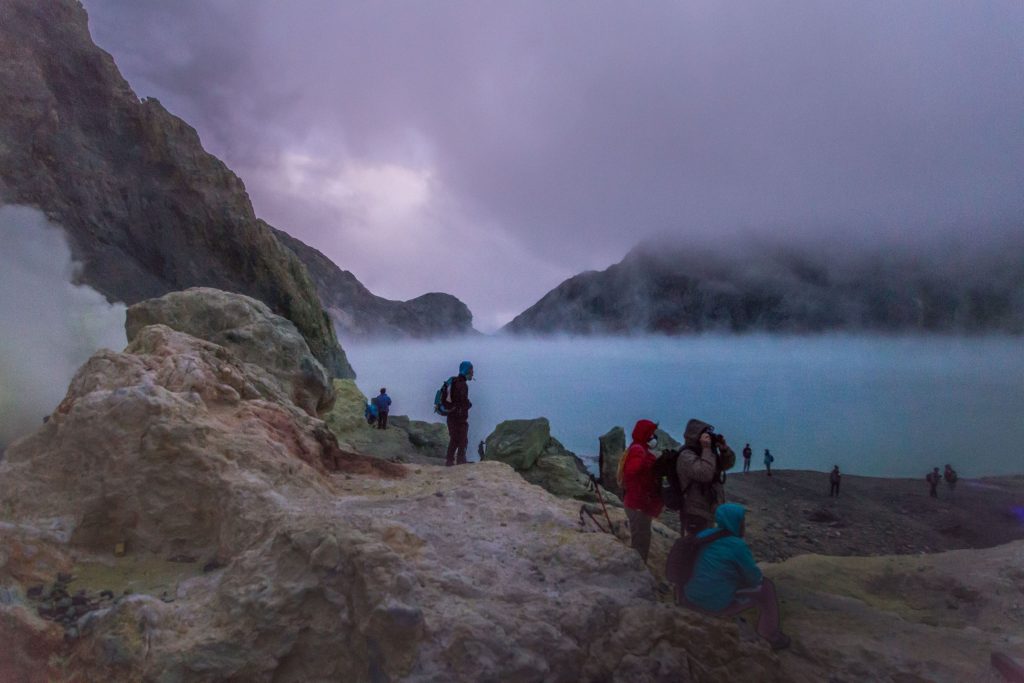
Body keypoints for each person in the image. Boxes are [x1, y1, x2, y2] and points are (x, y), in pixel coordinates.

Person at [683, 503, 791, 651]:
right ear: (735, 522)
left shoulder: (705, 535)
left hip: (689, 597)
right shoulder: (737, 546)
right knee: (766, 588)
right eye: (742, 522)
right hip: (712, 605)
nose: (744, 526)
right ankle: (770, 636)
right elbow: (754, 579)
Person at [676, 419, 735, 537]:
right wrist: (707, 449)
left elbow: (726, 465)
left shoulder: (704, 452)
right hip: (695, 511)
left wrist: (724, 450)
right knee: (697, 548)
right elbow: (705, 474)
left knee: (705, 546)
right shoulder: (686, 455)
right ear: (696, 436)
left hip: (708, 509)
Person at [615, 419, 664, 562]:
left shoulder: (638, 448)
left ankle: (639, 568)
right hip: (638, 503)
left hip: (637, 502)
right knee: (640, 540)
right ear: (645, 435)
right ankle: (637, 570)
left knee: (642, 537)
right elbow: (632, 472)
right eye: (651, 433)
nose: (654, 437)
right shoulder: (639, 450)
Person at [445, 361, 474, 466]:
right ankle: (460, 460)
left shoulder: (454, 382)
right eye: (471, 370)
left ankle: (449, 461)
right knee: (462, 439)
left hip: (451, 415)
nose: (473, 373)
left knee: (454, 439)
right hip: (459, 417)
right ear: (466, 370)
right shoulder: (462, 384)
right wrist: (469, 404)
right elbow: (462, 401)